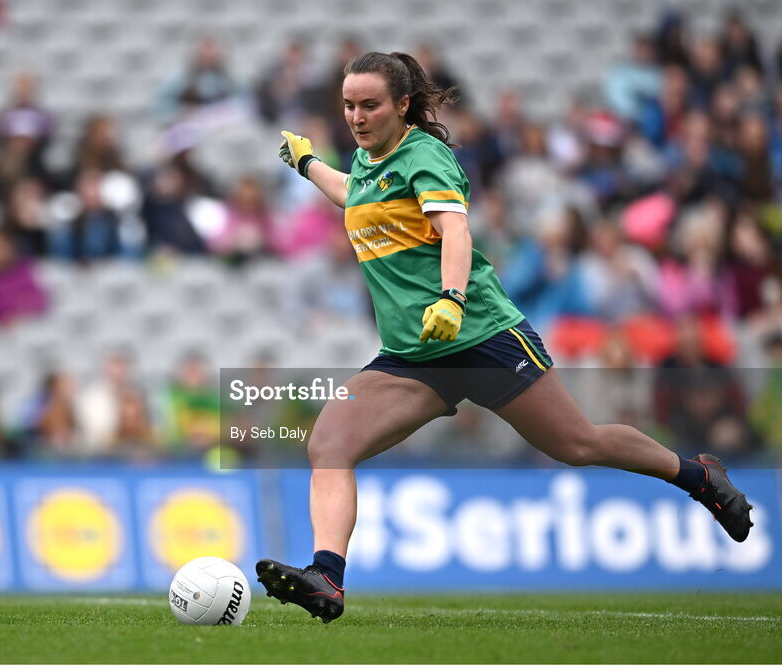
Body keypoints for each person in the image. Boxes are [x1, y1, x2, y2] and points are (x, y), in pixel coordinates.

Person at [256, 51, 753, 624]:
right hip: (415, 355)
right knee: (329, 445)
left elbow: (455, 230)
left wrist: (451, 297)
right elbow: (355, 195)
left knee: (577, 445)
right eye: (349, 105)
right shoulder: (369, 162)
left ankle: (698, 476)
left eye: (369, 105)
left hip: (480, 335)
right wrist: (308, 163)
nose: (357, 116)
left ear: (402, 104)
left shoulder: (425, 155)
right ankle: (327, 577)